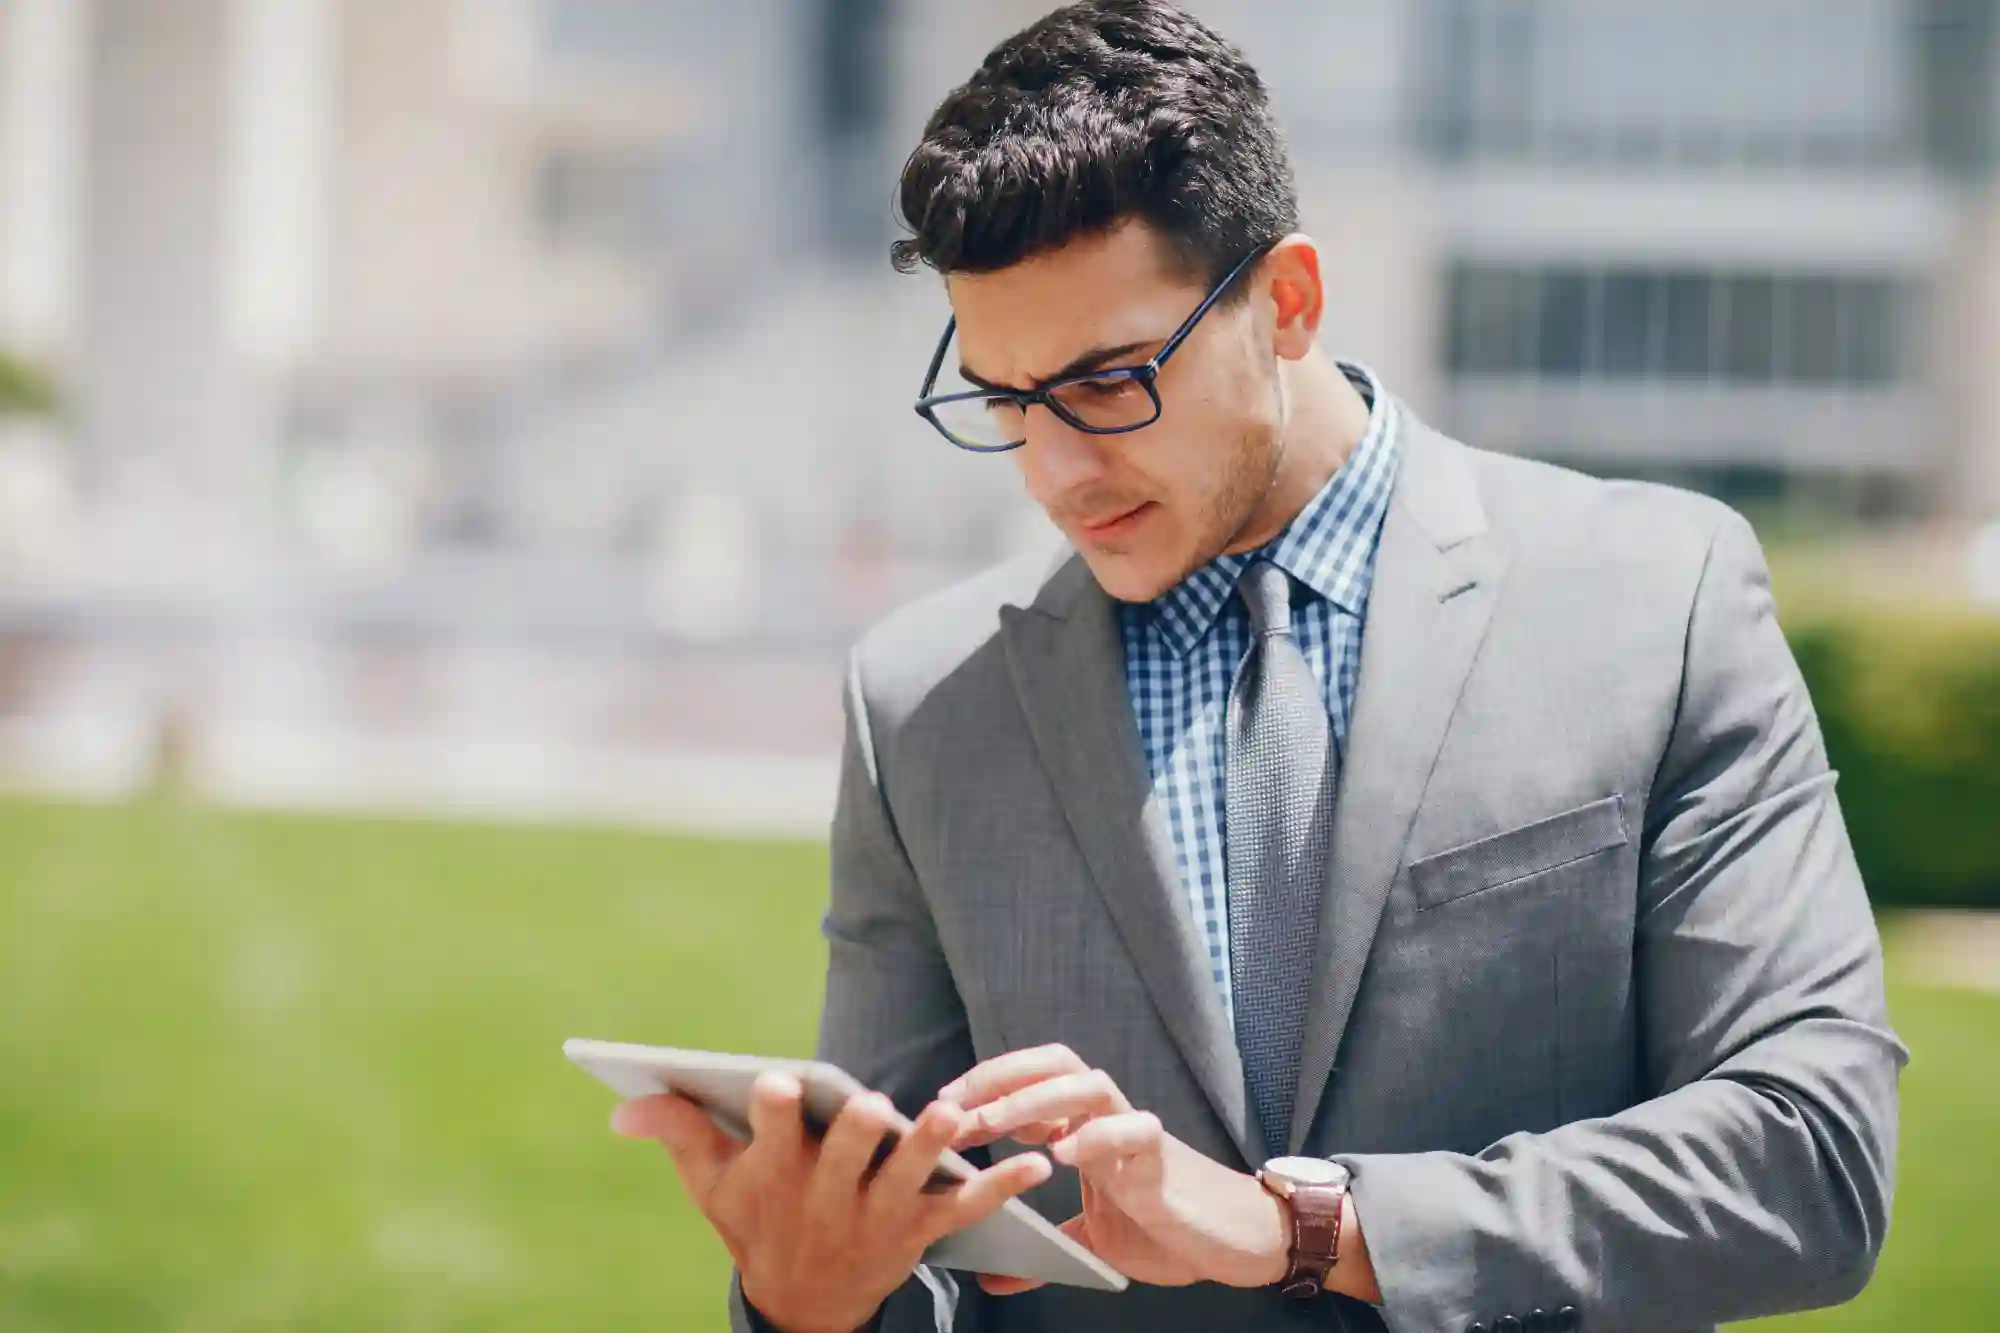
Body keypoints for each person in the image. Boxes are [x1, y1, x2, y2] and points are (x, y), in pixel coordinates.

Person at [609, 4, 1907, 1331]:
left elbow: (1813, 1157)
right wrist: (808, 1300)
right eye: (1005, 399)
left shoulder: (1657, 596)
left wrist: (1310, 1229)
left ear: (1287, 302)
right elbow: (916, 1254)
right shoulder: (922, 704)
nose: (1053, 475)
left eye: (1107, 385)